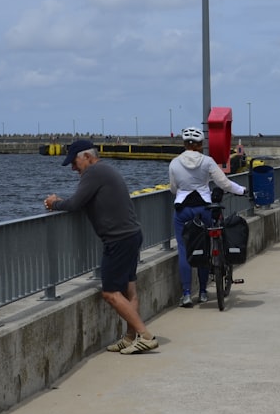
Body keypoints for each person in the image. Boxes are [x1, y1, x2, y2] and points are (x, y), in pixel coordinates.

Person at [44, 140, 158, 355]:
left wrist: (54, 203)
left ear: (87, 157)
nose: (73, 168)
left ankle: (145, 336)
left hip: (118, 240)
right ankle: (130, 337)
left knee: (110, 293)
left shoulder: (94, 172)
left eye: (75, 162)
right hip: (131, 235)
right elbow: (84, 200)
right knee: (129, 289)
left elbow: (76, 204)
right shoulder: (105, 170)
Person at [169, 126, 249, 307]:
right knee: (205, 247)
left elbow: (173, 188)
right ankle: (204, 292)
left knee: (184, 250)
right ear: (200, 144)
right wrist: (241, 190)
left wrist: (183, 189)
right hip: (203, 208)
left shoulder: (174, 163)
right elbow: (224, 183)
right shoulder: (207, 161)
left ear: (184, 143)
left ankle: (187, 294)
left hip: (182, 209)